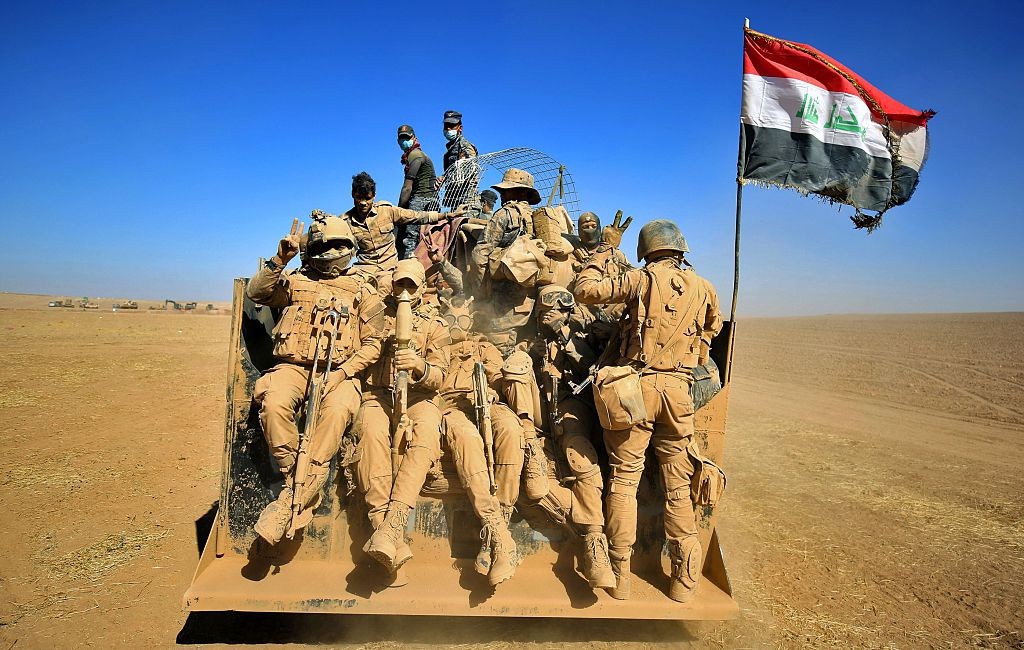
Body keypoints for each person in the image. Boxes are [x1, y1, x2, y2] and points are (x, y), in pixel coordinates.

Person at [573, 216, 722, 604]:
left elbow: (585, 290)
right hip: (678, 393)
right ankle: (685, 580)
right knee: (678, 485)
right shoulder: (704, 287)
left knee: (624, 481)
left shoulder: (640, 280)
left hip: (636, 392)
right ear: (680, 249)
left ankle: (620, 575)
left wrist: (603, 249)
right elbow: (714, 326)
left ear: (646, 251)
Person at [246, 215, 386, 545]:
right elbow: (256, 293)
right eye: (323, 245)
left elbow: (374, 343)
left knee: (338, 413)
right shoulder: (296, 281)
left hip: (340, 372)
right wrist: (281, 258)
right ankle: (301, 485)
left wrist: (343, 373)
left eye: (337, 245)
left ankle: (287, 504)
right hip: (293, 368)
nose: (330, 251)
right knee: (273, 402)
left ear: (349, 248)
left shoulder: (363, 290)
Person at [355, 259, 449, 582]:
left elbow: (441, 375)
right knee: (369, 432)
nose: (406, 291)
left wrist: (419, 367)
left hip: (421, 400)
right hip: (378, 396)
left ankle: (393, 526)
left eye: (412, 285)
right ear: (392, 287)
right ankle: (384, 531)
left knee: (424, 437)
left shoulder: (435, 325)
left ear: (422, 288)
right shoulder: (376, 318)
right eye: (400, 285)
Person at [526, 284, 615, 589]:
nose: (550, 317)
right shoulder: (528, 337)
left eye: (558, 312)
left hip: (569, 405)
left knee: (579, 450)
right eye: (545, 312)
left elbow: (593, 368)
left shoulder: (582, 333)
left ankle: (593, 540)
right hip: (532, 411)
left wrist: (565, 337)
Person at [437, 296, 525, 586]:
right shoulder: (436, 342)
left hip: (487, 403)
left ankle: (492, 537)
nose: (458, 321)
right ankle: (499, 534)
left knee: (512, 431)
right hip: (449, 407)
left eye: (464, 316)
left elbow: (499, 375)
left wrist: (488, 385)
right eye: (453, 314)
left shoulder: (484, 347)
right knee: (467, 440)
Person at [343, 172, 464, 292]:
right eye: (359, 198)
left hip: (388, 268)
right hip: (364, 269)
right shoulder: (345, 221)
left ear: (374, 195)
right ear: (353, 194)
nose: (363, 203)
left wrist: (446, 215)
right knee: (347, 288)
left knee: (386, 288)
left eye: (367, 198)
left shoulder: (386, 210)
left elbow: (416, 216)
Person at [469, 168, 543, 350]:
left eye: (507, 190)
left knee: (497, 356)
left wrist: (479, 293)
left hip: (501, 304)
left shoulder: (504, 214)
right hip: (529, 302)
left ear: (521, 191)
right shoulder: (537, 218)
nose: (502, 194)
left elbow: (480, 255)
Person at [395, 125, 439, 260]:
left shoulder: (415, 155)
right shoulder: (416, 154)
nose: (404, 141)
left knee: (410, 237)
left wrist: (398, 210)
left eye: (406, 138)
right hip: (432, 200)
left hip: (421, 200)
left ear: (414, 138)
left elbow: (407, 188)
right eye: (401, 139)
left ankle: (410, 263)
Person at [439, 110, 479, 208]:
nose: (448, 128)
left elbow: (471, 171)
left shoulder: (464, 146)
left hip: (467, 201)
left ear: (460, 128)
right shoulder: (451, 148)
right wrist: (443, 178)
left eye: (452, 126)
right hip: (456, 199)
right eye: (446, 126)